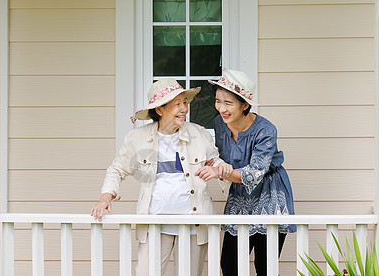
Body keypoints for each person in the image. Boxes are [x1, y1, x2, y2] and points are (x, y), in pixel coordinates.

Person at [90, 78, 224, 276]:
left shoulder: (199, 134)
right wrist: (105, 197)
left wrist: (220, 168)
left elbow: (216, 162)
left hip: (194, 223)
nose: (184, 109)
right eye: (176, 104)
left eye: (185, 103)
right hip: (155, 222)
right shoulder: (138, 138)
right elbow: (117, 169)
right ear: (160, 110)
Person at [196, 69, 296, 275]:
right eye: (218, 101)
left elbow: (255, 173)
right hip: (240, 196)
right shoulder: (219, 124)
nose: (221, 108)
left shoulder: (266, 129)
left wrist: (219, 172)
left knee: (264, 266)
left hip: (269, 193)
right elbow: (216, 155)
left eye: (228, 103)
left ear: (245, 105)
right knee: (230, 264)